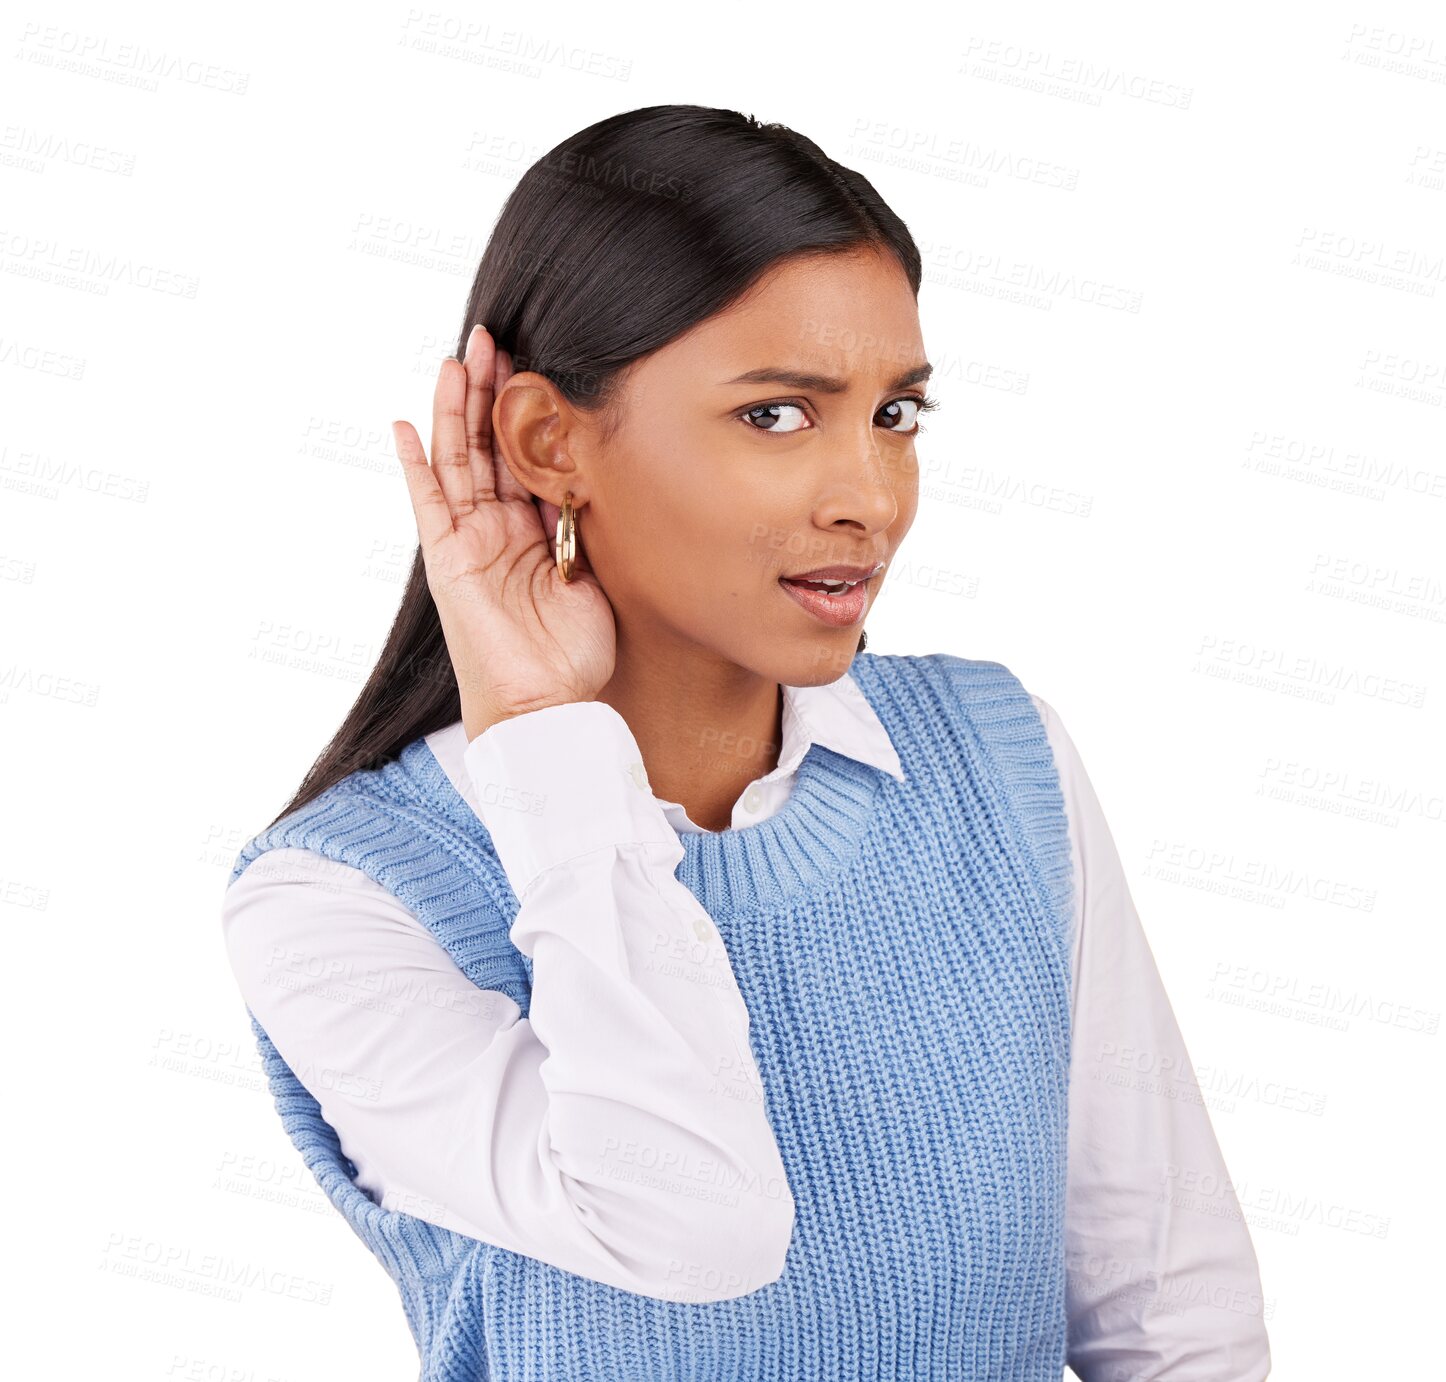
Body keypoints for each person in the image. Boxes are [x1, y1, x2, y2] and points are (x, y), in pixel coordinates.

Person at [220, 104, 1271, 1380]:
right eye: (777, 415)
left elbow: (1170, 1309)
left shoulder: (1002, 762)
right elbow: (693, 1224)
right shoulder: (336, 900)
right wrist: (549, 743)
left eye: (897, 415)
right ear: (550, 442)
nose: (870, 498)